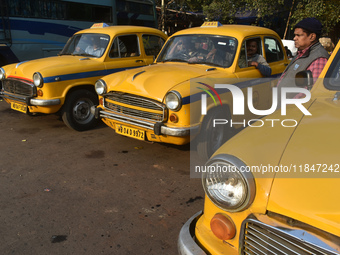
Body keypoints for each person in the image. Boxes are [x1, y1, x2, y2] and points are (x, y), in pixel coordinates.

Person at [277, 17, 329, 99]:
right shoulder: (302, 53)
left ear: (312, 37)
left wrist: (290, 104)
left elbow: (310, 90)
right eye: (295, 35)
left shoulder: (319, 58)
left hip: (293, 108)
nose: (294, 38)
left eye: (299, 35)